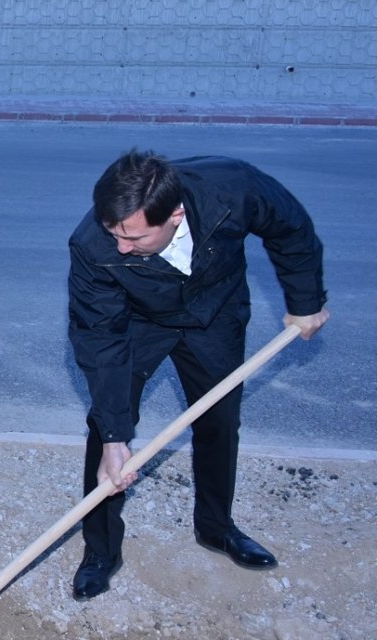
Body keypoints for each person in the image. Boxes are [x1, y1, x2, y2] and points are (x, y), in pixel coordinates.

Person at [67, 149, 329, 601]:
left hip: (215, 312)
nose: (121, 247)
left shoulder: (232, 188)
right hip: (136, 322)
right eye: (114, 233)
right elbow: (99, 337)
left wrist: (305, 301)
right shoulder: (94, 244)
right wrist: (116, 437)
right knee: (106, 425)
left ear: (176, 214)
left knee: (219, 420)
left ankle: (216, 528)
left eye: (133, 236)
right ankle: (100, 551)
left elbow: (291, 228)